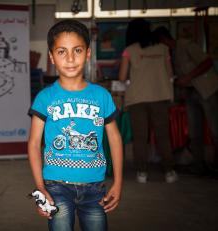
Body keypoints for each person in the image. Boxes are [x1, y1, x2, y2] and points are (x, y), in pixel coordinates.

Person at [28, 19, 123, 231]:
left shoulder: (102, 96)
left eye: (77, 50)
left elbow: (115, 138)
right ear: (52, 56)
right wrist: (41, 188)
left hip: (95, 188)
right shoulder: (45, 98)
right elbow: (34, 143)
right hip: (56, 186)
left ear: (88, 53)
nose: (70, 58)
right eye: (62, 51)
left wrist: (118, 182)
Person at [118, 18, 178, 183]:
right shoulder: (164, 49)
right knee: (162, 136)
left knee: (140, 137)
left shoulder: (129, 51)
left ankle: (142, 173)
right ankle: (169, 172)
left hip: (137, 99)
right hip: (160, 96)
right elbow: (170, 74)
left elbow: (122, 77)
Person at [154, 26, 218, 176]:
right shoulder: (171, 53)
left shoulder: (186, 45)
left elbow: (207, 62)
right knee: (194, 132)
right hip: (190, 93)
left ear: (164, 40)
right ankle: (198, 165)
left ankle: (216, 165)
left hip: (206, 90)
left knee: (216, 129)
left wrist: (188, 77)